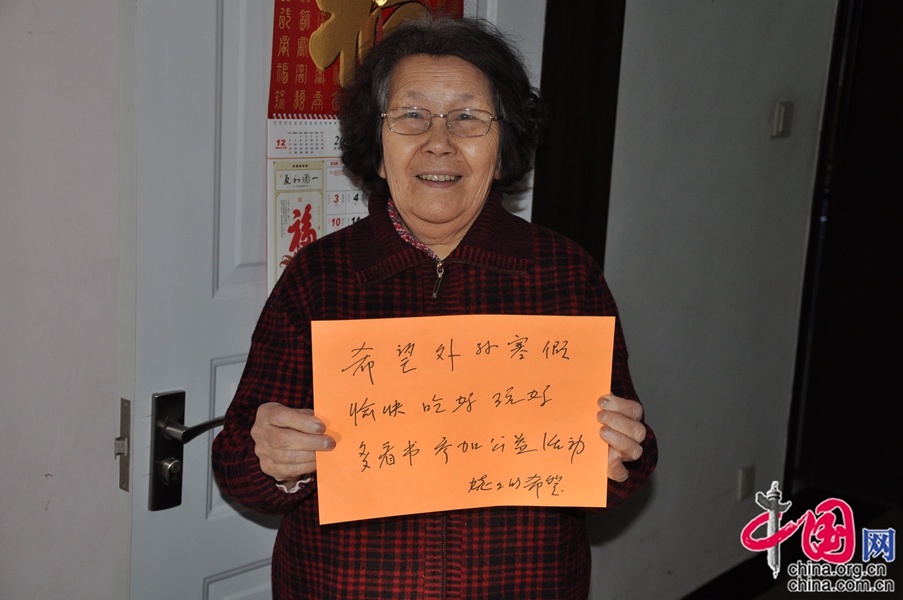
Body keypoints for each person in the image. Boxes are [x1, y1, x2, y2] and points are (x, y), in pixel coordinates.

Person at [213, 16, 657, 599]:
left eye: (468, 117)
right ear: (378, 150)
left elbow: (631, 465)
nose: (439, 141)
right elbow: (236, 466)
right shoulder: (320, 277)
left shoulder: (564, 274)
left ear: (503, 149)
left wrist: (622, 457)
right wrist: (270, 458)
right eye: (412, 116)